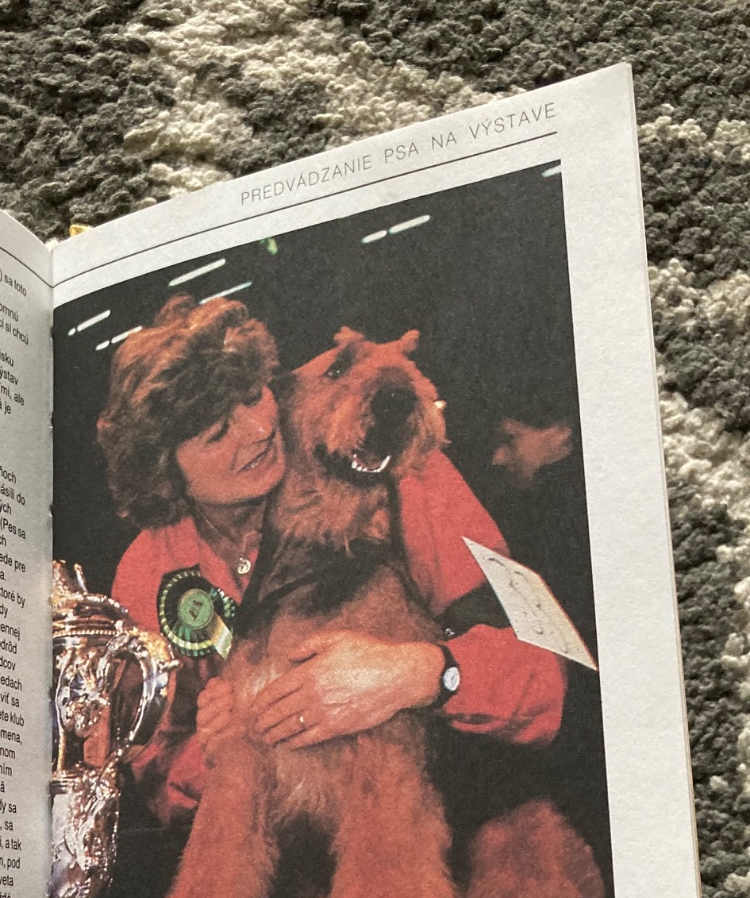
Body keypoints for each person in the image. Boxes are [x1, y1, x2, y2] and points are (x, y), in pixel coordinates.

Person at [99, 293, 566, 827]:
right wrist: (214, 755)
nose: (258, 431)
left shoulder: (397, 472)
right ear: (164, 469)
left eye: (253, 397)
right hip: (280, 845)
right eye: (217, 434)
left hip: (434, 812)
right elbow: (152, 770)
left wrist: (416, 674)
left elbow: (547, 667)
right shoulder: (145, 571)